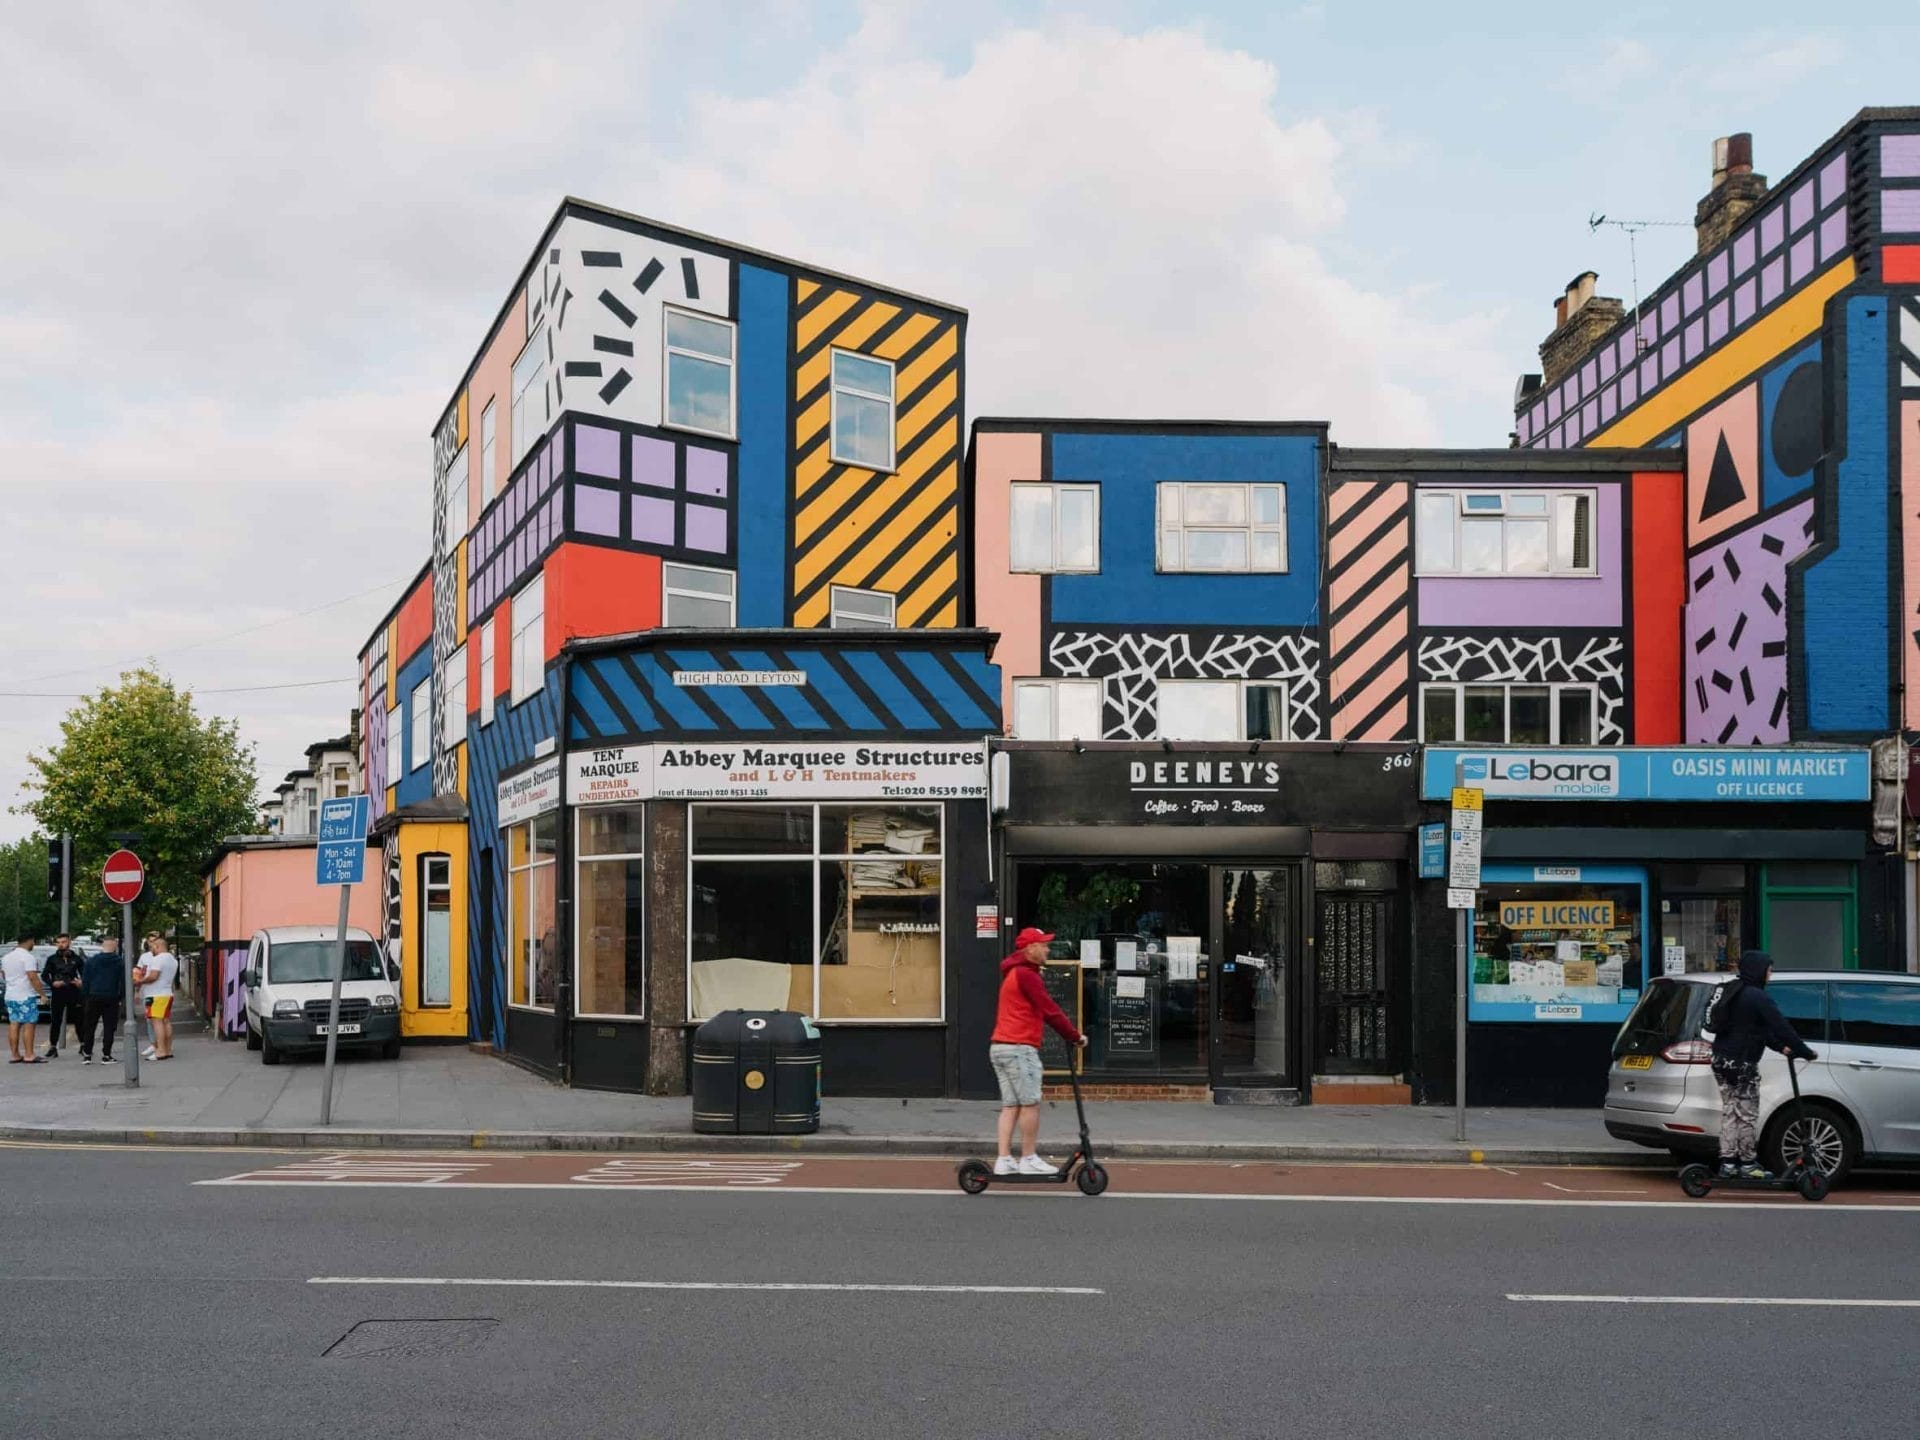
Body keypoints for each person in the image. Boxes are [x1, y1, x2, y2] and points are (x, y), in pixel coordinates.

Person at [1709, 949, 1818, 1180]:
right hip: (1742, 1064)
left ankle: (1728, 1163)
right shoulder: (1758, 997)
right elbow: (1781, 1027)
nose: (1771, 973)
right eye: (1769, 969)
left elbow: (1758, 1030)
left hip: (1721, 1059)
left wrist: (1781, 1048)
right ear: (1758, 970)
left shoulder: (1735, 991)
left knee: (1730, 1111)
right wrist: (1804, 1051)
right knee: (1747, 1114)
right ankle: (1748, 1164)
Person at [989, 926, 1085, 1176]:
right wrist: (1074, 1037)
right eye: (1043, 944)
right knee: (1030, 1103)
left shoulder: (1013, 972)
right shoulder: (1026, 975)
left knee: (1011, 1105)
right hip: (1019, 1048)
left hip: (1000, 1047)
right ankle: (1028, 1158)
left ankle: (1004, 1160)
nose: (1047, 949)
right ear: (1030, 948)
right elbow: (1049, 1009)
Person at [79, 935, 125, 1065]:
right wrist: (121, 997)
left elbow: (85, 981)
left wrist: (85, 996)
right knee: (109, 1027)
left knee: (90, 1026)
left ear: (102, 946)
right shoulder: (120, 962)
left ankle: (87, 1054)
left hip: (93, 996)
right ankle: (106, 1055)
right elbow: (123, 981)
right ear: (115, 946)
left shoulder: (91, 961)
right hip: (111, 997)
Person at [133, 934, 179, 1061]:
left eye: (152, 947)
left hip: (155, 995)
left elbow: (153, 976)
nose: (151, 949)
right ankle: (168, 1049)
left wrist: (140, 981)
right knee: (166, 1022)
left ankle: (160, 1051)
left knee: (156, 1023)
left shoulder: (159, 959)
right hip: (167, 993)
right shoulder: (172, 959)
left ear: (158, 946)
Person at [40, 934, 86, 1059]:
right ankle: (53, 1047)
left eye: (63, 942)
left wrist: (81, 982)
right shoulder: (52, 959)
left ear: (69, 942)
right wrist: (52, 983)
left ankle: (83, 1045)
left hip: (73, 991)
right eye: (58, 942)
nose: (61, 944)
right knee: (56, 1021)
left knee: (78, 1020)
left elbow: (84, 973)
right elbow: (44, 975)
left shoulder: (76, 959)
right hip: (58, 992)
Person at [4, 935, 48, 1064]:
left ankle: (15, 1054)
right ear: (30, 941)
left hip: (11, 995)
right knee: (29, 1025)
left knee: (14, 1024)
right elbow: (32, 977)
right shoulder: (28, 957)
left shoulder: (7, 957)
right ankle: (29, 1054)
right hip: (25, 995)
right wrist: (42, 994)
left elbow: (3, 973)